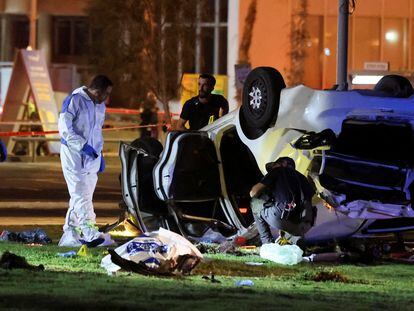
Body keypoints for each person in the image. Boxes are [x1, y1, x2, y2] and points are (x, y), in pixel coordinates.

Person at [58, 75, 114, 247]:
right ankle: (90, 232)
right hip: (73, 156)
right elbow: (64, 129)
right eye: (107, 93)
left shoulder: (100, 106)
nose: (108, 98)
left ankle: (70, 233)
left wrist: (99, 153)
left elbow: (97, 132)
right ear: (98, 91)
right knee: (81, 195)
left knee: (83, 196)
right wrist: (82, 146)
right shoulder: (74, 101)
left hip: (92, 159)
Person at [250, 157, 315, 247]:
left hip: (283, 218)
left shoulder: (278, 171)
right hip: (305, 224)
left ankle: (267, 244)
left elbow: (253, 193)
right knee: (293, 213)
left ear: (283, 163)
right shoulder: (302, 178)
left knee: (254, 202)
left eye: (275, 164)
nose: (272, 168)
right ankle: (297, 242)